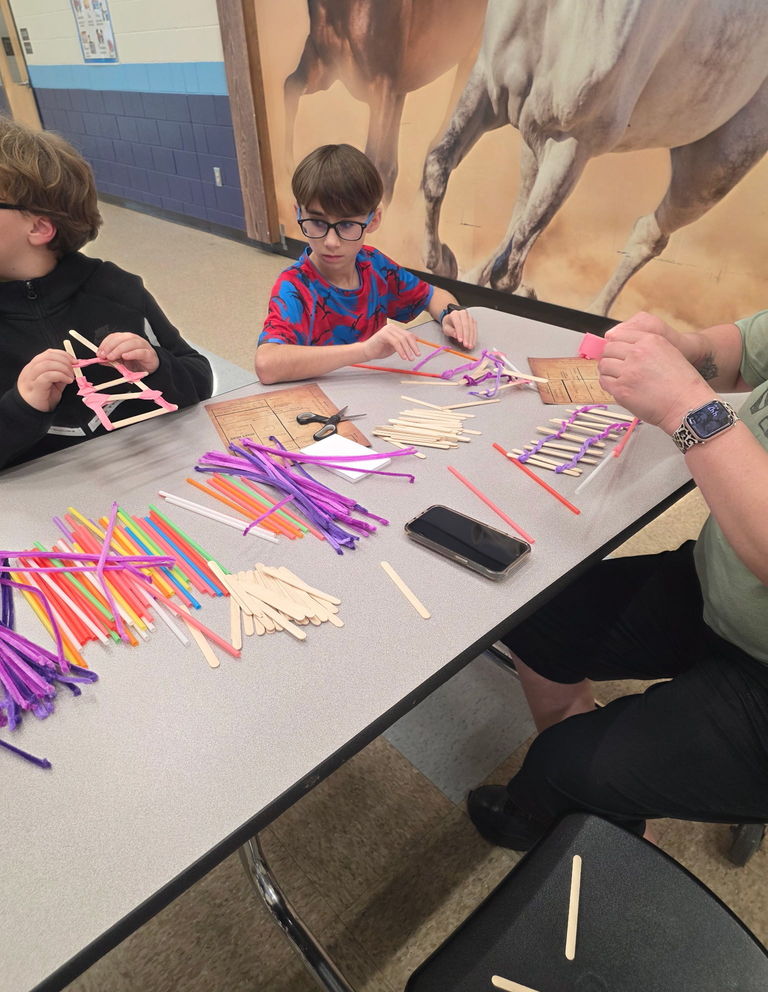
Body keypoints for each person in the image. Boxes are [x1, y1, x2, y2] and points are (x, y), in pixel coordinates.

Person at [467, 309, 768, 849]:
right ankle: (593, 805)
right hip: (724, 582)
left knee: (561, 767)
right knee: (540, 619)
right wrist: (687, 345)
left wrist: (685, 405)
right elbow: (745, 349)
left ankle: (555, 808)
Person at [0, 118, 213, 470]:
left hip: (156, 481)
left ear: (39, 227)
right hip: (46, 511)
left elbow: (198, 381)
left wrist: (157, 365)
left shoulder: (117, 289)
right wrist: (22, 407)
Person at [255, 143, 477, 384]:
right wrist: (365, 350)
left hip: (377, 393)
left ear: (374, 220)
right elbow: (267, 364)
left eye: (347, 225)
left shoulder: (374, 265)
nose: (331, 242)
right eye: (318, 222)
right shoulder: (294, 286)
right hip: (320, 402)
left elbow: (433, 295)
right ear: (299, 213)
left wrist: (450, 314)